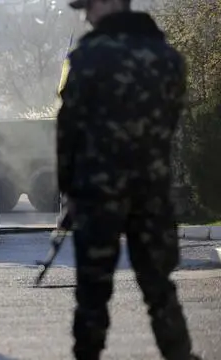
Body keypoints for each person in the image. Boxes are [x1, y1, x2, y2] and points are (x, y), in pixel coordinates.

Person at [56, 0, 202, 359]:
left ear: (107, 3)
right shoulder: (168, 59)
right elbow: (169, 124)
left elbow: (67, 131)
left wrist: (69, 188)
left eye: (87, 8)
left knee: (92, 292)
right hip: (151, 191)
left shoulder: (85, 60)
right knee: (158, 288)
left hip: (97, 193)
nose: (85, 16)